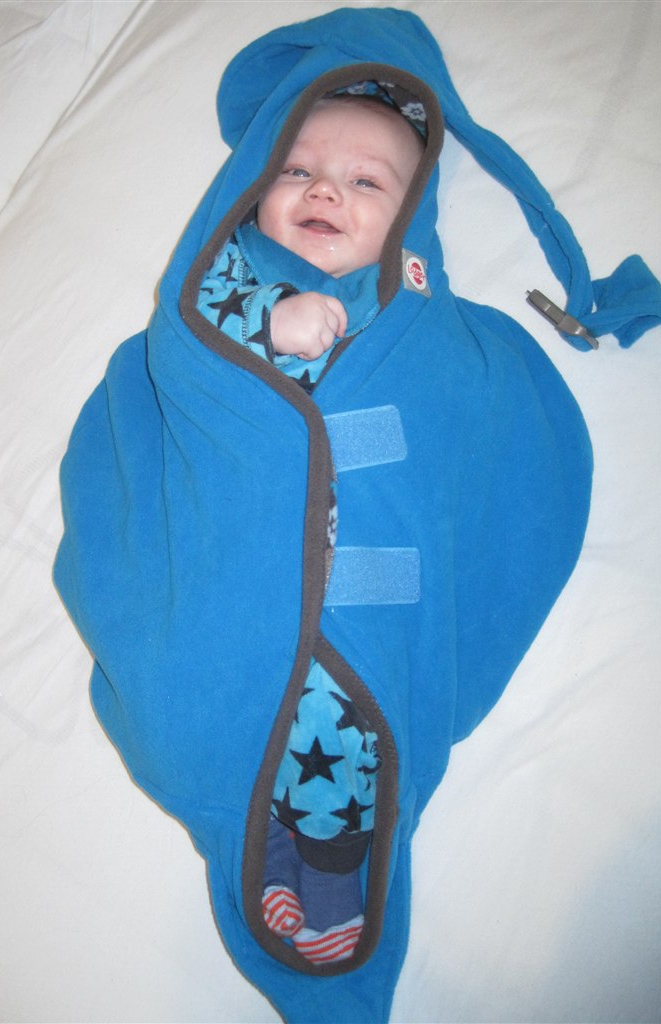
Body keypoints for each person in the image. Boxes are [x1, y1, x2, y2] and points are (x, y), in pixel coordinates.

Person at [197, 89, 425, 964]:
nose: (324, 190)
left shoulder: (408, 309)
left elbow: (445, 418)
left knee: (348, 714)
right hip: (247, 560)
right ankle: (275, 840)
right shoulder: (232, 275)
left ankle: (329, 856)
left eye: (365, 181)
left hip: (359, 574)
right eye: (296, 170)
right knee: (251, 698)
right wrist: (267, 322)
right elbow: (188, 341)